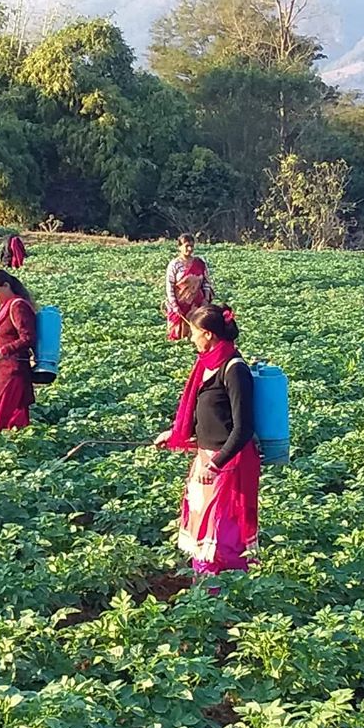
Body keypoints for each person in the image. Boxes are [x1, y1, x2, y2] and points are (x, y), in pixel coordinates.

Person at [153, 304, 259, 575]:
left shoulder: (234, 369)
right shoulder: (206, 365)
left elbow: (243, 428)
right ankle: (204, 593)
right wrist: (177, 433)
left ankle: (223, 593)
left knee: (221, 531)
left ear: (208, 334)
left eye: (194, 333)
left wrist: (216, 464)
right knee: (203, 527)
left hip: (228, 463)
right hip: (205, 458)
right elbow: (208, 414)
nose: (190, 339)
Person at [0, 269, 38, 430]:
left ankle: (1, 450)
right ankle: (13, 448)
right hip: (4, 370)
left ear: (5, 285)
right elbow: (5, 338)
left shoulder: (18, 307)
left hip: (14, 371)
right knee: (9, 421)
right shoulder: (7, 306)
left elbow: (28, 338)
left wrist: (2, 352)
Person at [162, 234, 213, 341]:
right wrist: (175, 306)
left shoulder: (199, 263)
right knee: (177, 334)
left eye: (192, 246)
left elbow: (206, 283)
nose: (189, 249)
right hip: (179, 305)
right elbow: (170, 287)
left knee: (197, 334)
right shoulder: (174, 264)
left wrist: (206, 300)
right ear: (179, 247)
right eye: (186, 246)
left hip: (196, 305)